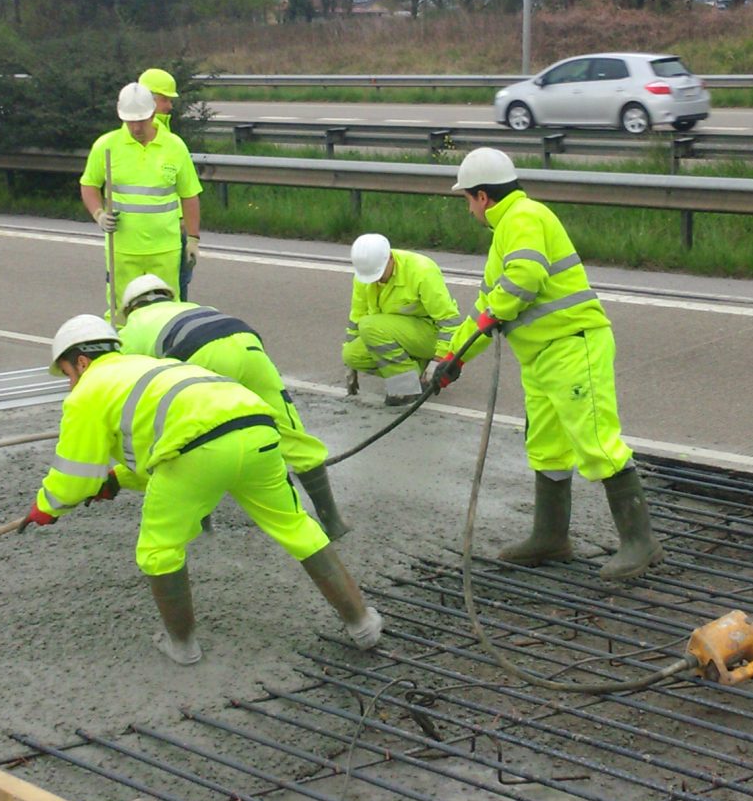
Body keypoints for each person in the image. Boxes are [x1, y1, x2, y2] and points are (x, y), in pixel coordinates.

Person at [26, 314, 383, 667]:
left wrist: (48, 507)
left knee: (160, 548)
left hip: (196, 451)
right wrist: (117, 480)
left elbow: (76, 477)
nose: (70, 384)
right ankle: (362, 623)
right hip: (256, 430)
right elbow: (157, 450)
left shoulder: (88, 391)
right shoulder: (152, 366)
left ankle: (181, 646)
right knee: (295, 525)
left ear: (82, 361)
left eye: (68, 374)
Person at [431, 147, 661, 580]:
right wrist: (452, 357)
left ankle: (641, 542)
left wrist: (492, 316)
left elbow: (523, 282)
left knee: (596, 441)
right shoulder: (508, 232)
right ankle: (551, 537)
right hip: (540, 357)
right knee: (547, 448)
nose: (468, 208)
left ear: (482, 196)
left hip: (573, 347)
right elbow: (485, 308)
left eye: (467, 199)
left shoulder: (523, 218)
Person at [114, 274, 350, 539]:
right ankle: (333, 521)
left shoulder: (131, 329)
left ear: (130, 308)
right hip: (246, 342)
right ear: (168, 295)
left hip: (196, 354)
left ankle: (202, 526)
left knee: (195, 436)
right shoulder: (194, 308)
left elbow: (129, 384)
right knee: (287, 428)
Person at [81, 83, 201, 320]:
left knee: (167, 314)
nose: (136, 127)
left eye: (142, 120)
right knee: (122, 314)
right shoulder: (106, 145)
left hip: (164, 248)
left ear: (153, 113)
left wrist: (194, 239)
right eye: (130, 121)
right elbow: (89, 184)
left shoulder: (174, 146)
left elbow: (189, 195)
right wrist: (99, 214)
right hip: (123, 248)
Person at [343, 233, 464, 406]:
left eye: (379, 274)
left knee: (371, 326)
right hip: (395, 334)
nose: (376, 280)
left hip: (430, 335)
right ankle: (414, 376)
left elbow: (449, 320)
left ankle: (406, 389)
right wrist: (349, 363)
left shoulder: (421, 271)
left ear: (391, 258)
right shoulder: (365, 275)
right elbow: (356, 316)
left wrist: (440, 360)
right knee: (352, 354)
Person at [138, 67, 205, 296]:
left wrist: (192, 236)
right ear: (150, 99)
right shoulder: (120, 142)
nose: (169, 106)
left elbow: (188, 192)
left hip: (173, 233)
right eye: (165, 99)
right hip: (145, 239)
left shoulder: (171, 142)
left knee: (175, 295)